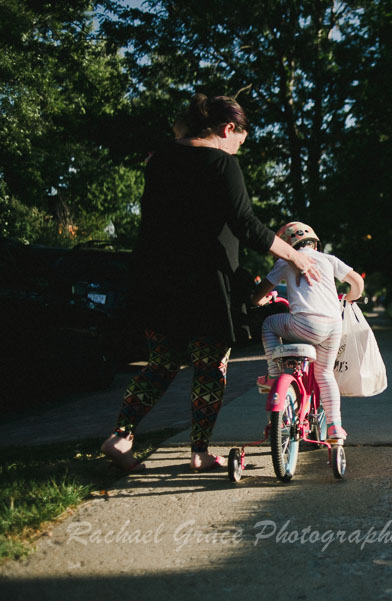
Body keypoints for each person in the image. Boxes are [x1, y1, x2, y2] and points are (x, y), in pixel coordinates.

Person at [101, 93, 320, 473]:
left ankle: (121, 436)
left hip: (155, 279)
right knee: (209, 369)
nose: (236, 151)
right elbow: (245, 224)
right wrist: (295, 255)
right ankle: (199, 452)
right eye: (238, 142)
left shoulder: (159, 161)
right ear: (227, 129)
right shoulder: (221, 164)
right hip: (205, 284)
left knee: (160, 364)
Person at [251, 221, 364, 443]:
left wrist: (261, 299)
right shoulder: (329, 259)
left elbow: (259, 293)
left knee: (269, 324)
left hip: (305, 324)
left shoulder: (286, 260)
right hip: (333, 326)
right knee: (325, 374)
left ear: (285, 245)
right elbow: (358, 282)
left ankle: (274, 374)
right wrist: (348, 299)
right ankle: (335, 427)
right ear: (315, 242)